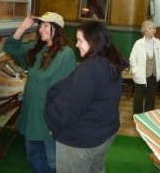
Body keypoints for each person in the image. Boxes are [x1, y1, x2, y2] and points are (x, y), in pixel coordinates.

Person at [44, 21, 128, 173]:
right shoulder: (112, 62)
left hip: (80, 140)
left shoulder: (90, 68)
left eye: (80, 40)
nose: (77, 45)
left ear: (94, 42)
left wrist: (53, 123)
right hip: (103, 134)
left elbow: (69, 108)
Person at [3, 12, 76, 173]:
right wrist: (23, 27)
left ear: (56, 29)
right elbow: (10, 47)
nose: (40, 29)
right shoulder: (38, 49)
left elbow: (64, 94)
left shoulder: (66, 54)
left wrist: (55, 122)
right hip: (32, 116)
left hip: (48, 121)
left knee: (52, 163)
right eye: (40, 25)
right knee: (34, 158)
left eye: (45, 26)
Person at [129, 20, 160, 114]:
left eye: (154, 28)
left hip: (153, 75)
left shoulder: (157, 42)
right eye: (150, 28)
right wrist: (136, 71)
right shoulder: (138, 43)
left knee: (151, 98)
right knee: (138, 98)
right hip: (141, 75)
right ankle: (137, 116)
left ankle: (148, 117)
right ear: (144, 31)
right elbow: (132, 58)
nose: (153, 30)